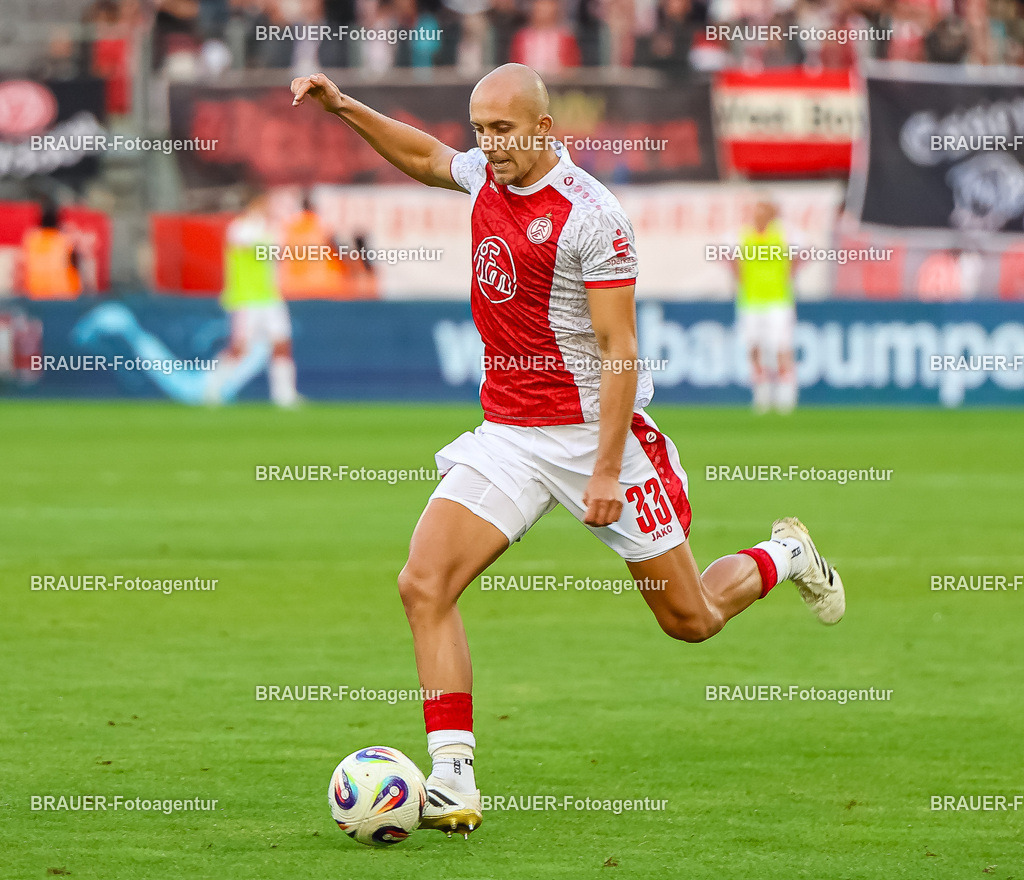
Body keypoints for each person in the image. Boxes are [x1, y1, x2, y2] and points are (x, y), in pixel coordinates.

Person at [291, 63, 845, 838]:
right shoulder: (486, 173)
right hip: (512, 433)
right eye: (482, 131)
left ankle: (785, 554)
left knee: (690, 620)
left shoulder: (593, 217)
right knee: (424, 583)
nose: (491, 146)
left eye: (506, 131)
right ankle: (452, 776)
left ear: (546, 128)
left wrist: (611, 469)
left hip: (594, 436)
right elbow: (424, 159)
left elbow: (621, 350)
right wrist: (345, 106)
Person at [208, 191, 299, 407]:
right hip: (246, 299)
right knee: (239, 348)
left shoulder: (273, 229)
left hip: (270, 297)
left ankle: (284, 396)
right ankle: (212, 388)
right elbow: (256, 247)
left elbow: (280, 252)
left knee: (282, 344)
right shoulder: (240, 229)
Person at [729, 196, 803, 414]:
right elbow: (733, 259)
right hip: (750, 300)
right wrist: (741, 282)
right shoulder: (743, 233)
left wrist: (787, 278)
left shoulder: (785, 233)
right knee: (754, 345)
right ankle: (761, 391)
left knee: (781, 345)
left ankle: (786, 394)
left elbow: (799, 256)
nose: (758, 215)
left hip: (777, 300)